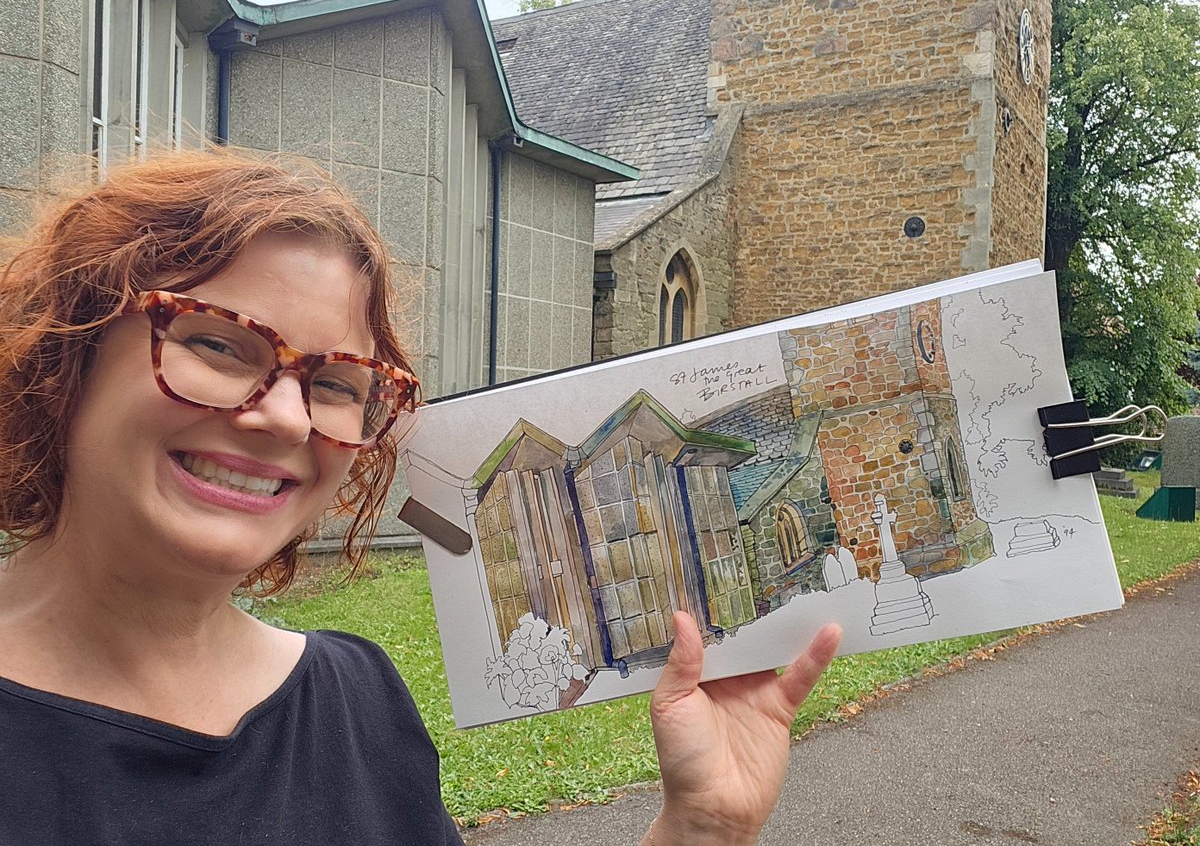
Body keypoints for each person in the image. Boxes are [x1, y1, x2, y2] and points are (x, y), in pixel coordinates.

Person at [0, 151, 841, 845]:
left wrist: (699, 829)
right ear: (63, 352)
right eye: (218, 343)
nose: (286, 416)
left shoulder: (356, 700)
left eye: (334, 381)